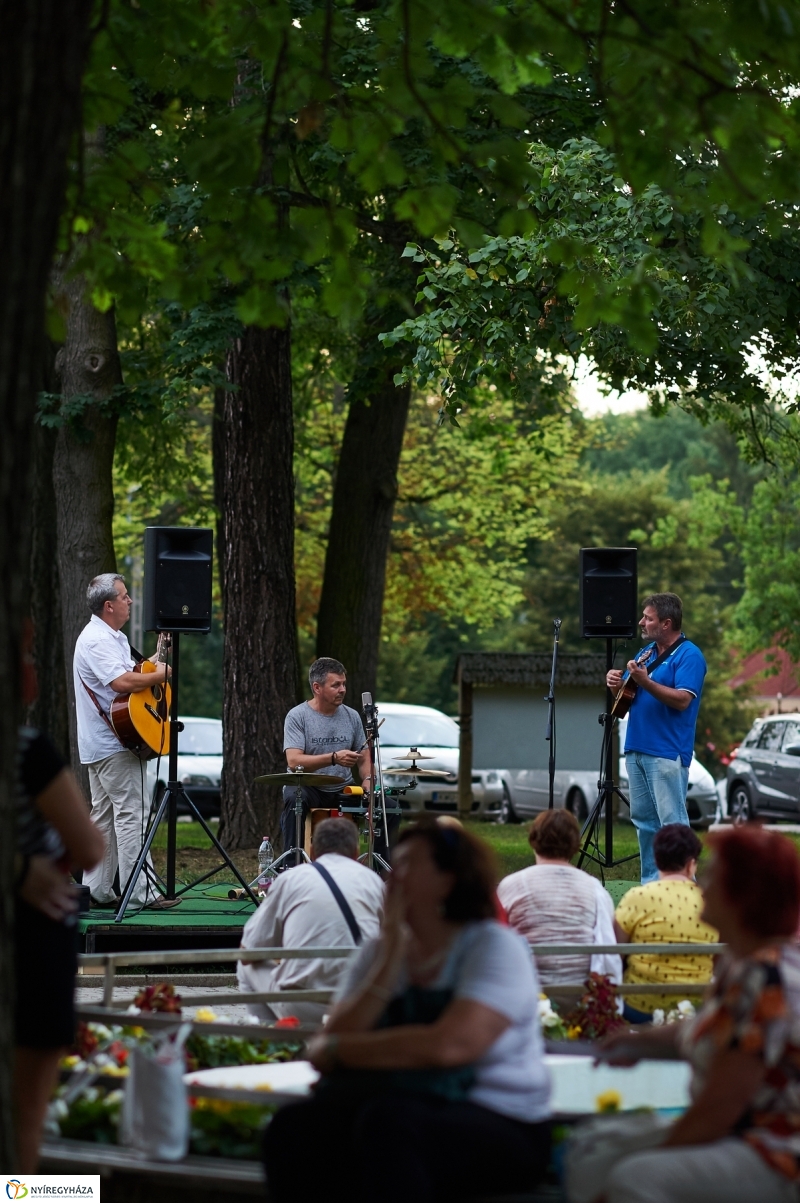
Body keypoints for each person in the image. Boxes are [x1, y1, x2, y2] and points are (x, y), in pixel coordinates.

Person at [263, 819, 552, 1203]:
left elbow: (449, 1045)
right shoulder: (376, 952)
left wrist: (340, 1051)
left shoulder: (493, 946)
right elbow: (330, 1038)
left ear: (447, 880)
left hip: (502, 1120)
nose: (392, 876)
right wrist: (390, 958)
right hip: (396, 1102)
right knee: (295, 1126)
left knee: (390, 1123)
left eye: (408, 865)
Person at [565, 826, 800, 1203]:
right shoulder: (743, 964)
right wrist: (637, 1042)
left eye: (713, 876)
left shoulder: (763, 976)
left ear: (743, 893)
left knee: (633, 1177)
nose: (701, 884)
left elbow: (720, 1109)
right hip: (738, 1135)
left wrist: (661, 1150)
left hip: (773, 1149)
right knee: (593, 1149)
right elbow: (715, 1029)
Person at [15, 627, 105, 1170]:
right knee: (27, 1116)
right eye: (27, 655)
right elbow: (90, 846)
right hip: (33, 949)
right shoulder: (27, 751)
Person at [73, 572, 175, 909]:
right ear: (108, 605)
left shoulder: (109, 637)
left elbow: (135, 673)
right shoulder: (97, 640)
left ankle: (97, 890)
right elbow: (120, 682)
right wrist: (163, 673)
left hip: (105, 743)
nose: (130, 600)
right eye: (124, 596)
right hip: (115, 742)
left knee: (104, 816)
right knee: (132, 815)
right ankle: (140, 894)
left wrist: (158, 657)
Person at [237, 818, 384, 1024]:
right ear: (356, 852)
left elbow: (248, 953)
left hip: (303, 1004)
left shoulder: (291, 879)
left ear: (312, 852)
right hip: (359, 1004)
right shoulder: (374, 881)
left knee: (245, 967)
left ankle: (271, 1037)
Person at [606, 593, 706, 883]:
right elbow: (626, 702)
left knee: (672, 823)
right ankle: (651, 884)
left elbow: (682, 700)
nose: (641, 622)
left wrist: (645, 681)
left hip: (666, 751)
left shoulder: (689, 655)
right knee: (645, 823)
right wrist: (616, 686)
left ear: (666, 623)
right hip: (636, 748)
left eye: (648, 618)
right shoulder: (646, 653)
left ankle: (685, 885)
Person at [497, 809, 621, 1006]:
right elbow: (608, 946)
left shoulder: (511, 886)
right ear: (574, 844)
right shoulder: (595, 889)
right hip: (581, 1003)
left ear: (534, 839)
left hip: (524, 1000)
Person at [614, 823, 718, 1022]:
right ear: (691, 864)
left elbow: (615, 951)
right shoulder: (712, 902)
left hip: (640, 1007)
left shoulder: (637, 897)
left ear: (656, 860)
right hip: (696, 1008)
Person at [281, 657, 371, 856]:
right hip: (308, 787)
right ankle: (291, 864)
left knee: (388, 807)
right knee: (295, 798)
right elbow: (294, 761)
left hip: (343, 788)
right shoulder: (297, 716)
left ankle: (381, 869)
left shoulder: (352, 716)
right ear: (317, 687)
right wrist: (333, 758)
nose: (342, 689)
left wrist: (367, 780)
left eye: (344, 684)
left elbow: (364, 756)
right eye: (336, 685)